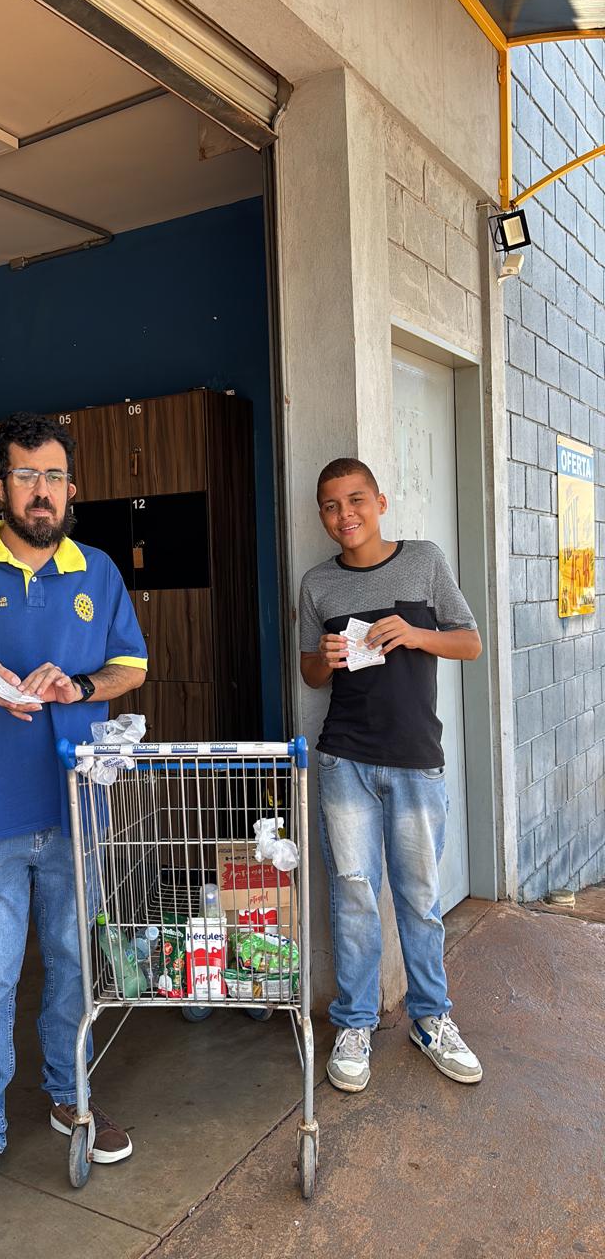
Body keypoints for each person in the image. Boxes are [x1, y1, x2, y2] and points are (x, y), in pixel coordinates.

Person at [0, 413, 148, 1239]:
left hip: (77, 807)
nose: (41, 492)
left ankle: (69, 1095)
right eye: (25, 476)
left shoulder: (97, 569)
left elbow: (131, 664)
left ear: (71, 489)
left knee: (76, 965)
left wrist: (80, 687)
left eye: (54, 478)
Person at [299, 457, 483, 1095]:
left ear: (380, 502)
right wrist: (325, 659)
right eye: (331, 506)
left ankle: (431, 1019)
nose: (344, 514)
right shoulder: (318, 584)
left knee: (420, 899)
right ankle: (355, 1023)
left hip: (415, 758)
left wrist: (415, 634)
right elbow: (310, 675)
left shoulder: (424, 560)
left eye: (355, 500)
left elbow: (470, 642)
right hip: (344, 759)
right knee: (353, 896)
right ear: (322, 516)